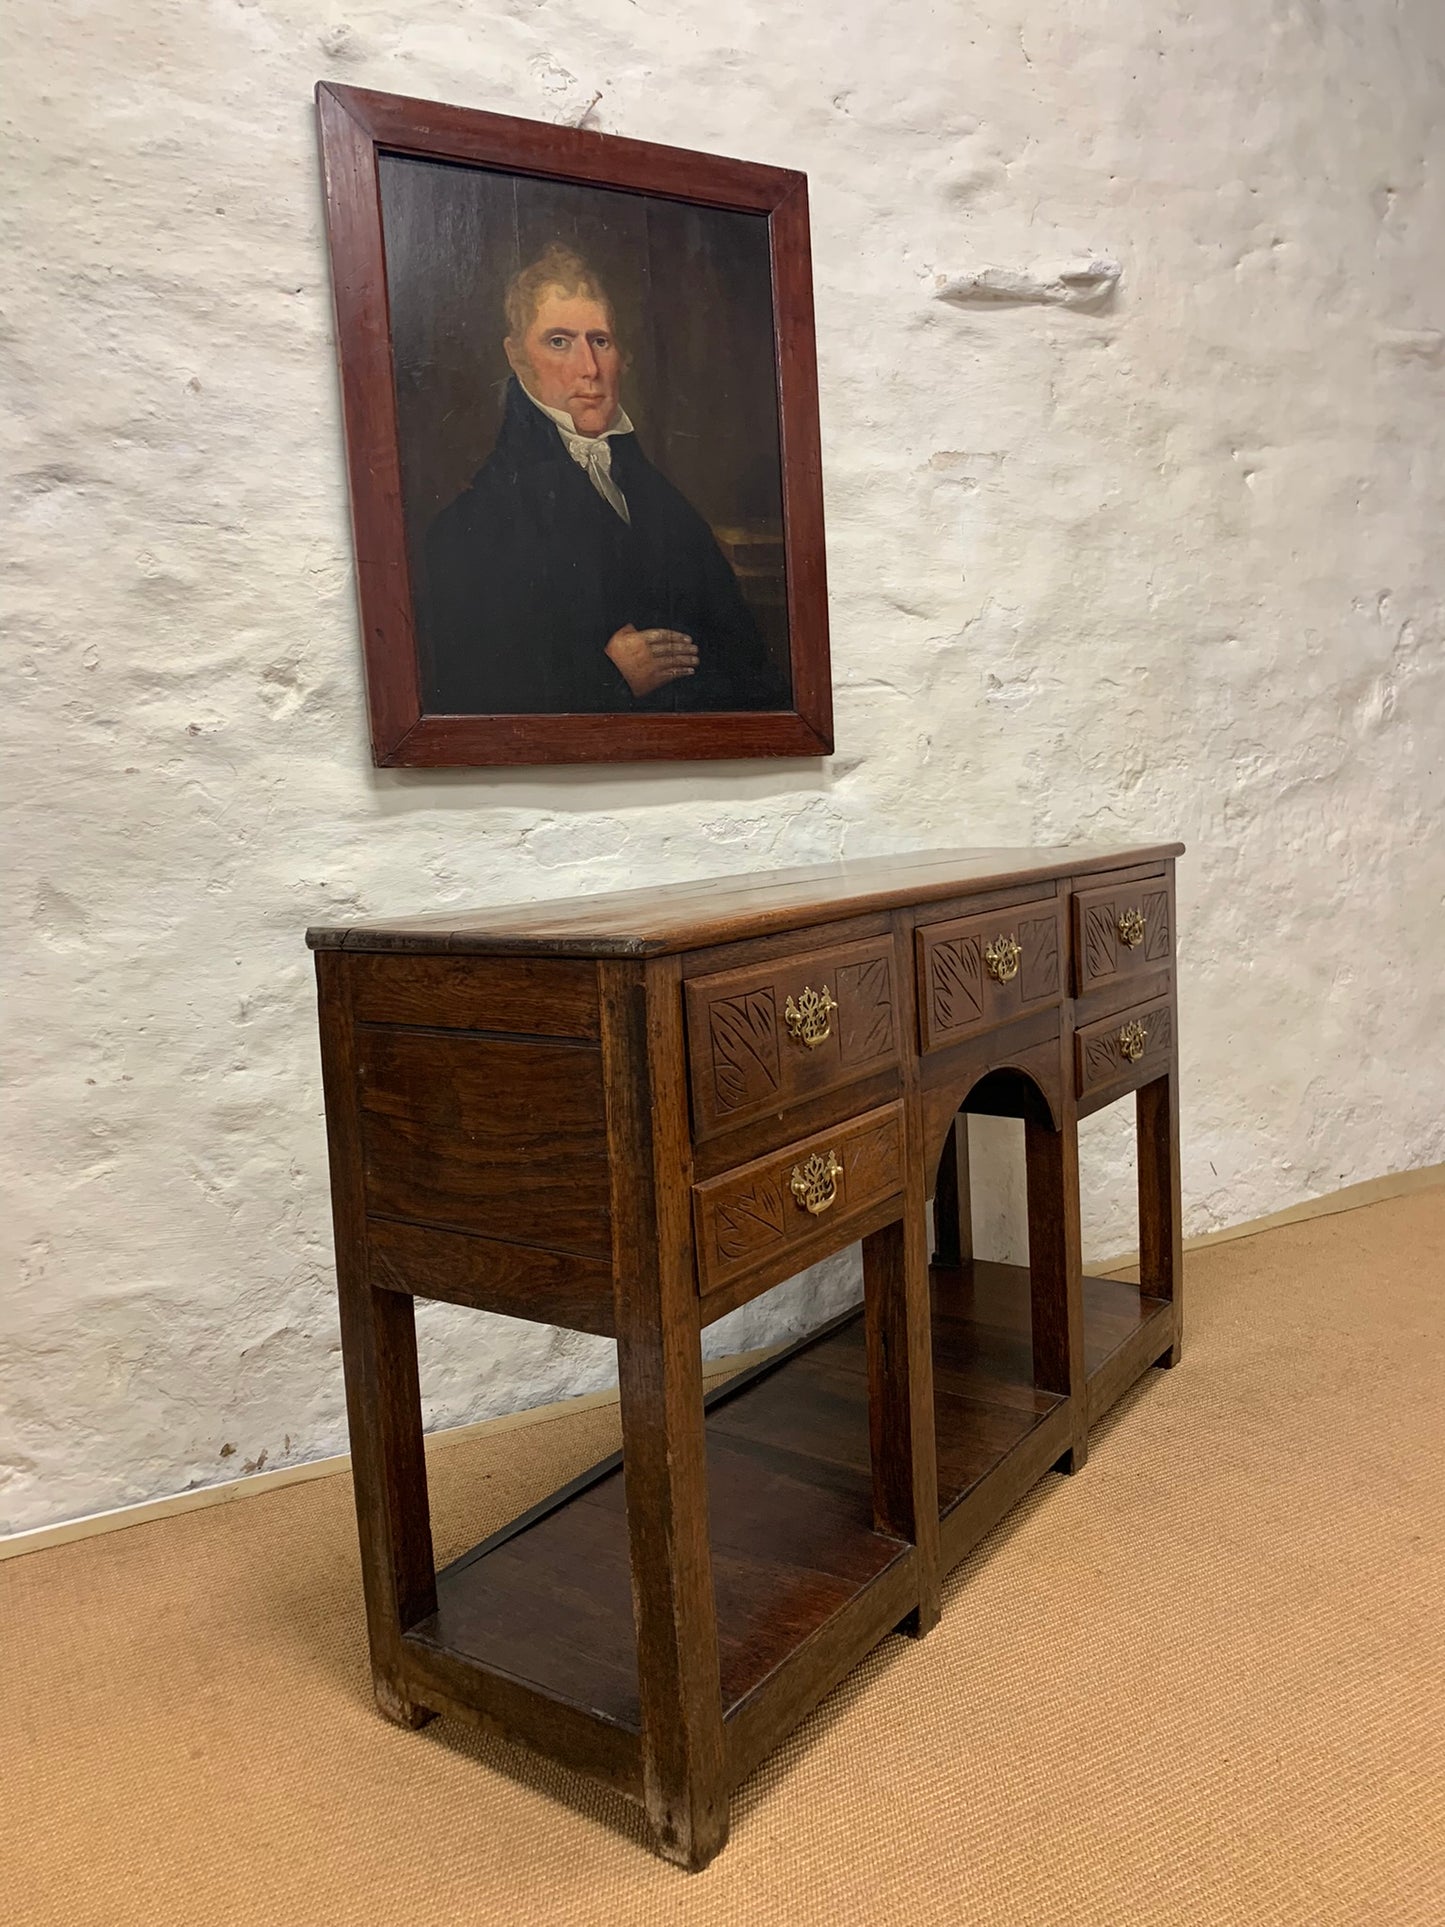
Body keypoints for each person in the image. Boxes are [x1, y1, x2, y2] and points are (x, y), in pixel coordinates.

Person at [419, 244, 786, 716]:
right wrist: (606, 677)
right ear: (516, 356)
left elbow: (749, 665)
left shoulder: (665, 504)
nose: (588, 369)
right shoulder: (468, 527)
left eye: (600, 341)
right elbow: (470, 700)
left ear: (621, 357)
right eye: (559, 341)